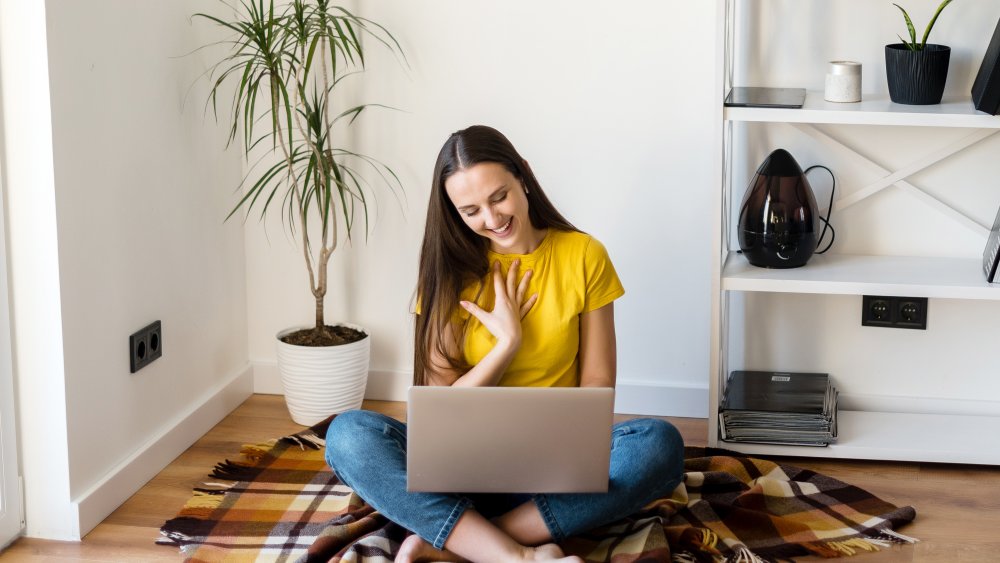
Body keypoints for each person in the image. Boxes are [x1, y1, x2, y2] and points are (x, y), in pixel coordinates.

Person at [325, 125, 685, 563]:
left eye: (499, 197)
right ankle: (518, 556)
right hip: (460, 473)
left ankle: (462, 543)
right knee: (348, 436)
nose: (491, 219)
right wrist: (506, 345)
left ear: (524, 178)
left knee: (658, 444)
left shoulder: (584, 255)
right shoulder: (448, 272)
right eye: (471, 210)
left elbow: (597, 382)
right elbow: (440, 409)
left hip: (551, 477)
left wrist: (573, 450)